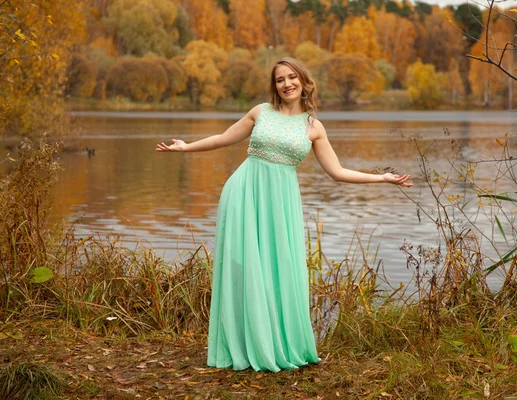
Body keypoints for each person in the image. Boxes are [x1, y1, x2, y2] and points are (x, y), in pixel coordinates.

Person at [156, 57, 412, 372]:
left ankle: (275, 343)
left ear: (304, 82)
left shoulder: (313, 127)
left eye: (292, 77)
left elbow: (337, 172)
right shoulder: (260, 112)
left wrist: (381, 178)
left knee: (278, 268)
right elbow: (224, 139)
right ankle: (242, 343)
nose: (287, 84)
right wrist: (186, 147)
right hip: (245, 193)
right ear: (274, 85)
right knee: (244, 266)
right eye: (280, 79)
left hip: (281, 203)